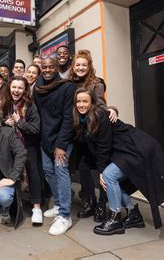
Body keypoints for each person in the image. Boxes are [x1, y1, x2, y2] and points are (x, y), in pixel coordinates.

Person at [72, 88, 164, 235]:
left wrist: (101, 171)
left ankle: (115, 219)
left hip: (135, 147)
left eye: (85, 101)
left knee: (109, 176)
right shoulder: (81, 118)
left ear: (93, 103)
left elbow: (104, 145)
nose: (81, 104)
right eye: (78, 101)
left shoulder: (100, 115)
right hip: (123, 151)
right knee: (112, 179)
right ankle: (133, 214)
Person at [68, 49, 118, 222]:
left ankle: (102, 205)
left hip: (95, 134)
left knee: (102, 169)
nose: (80, 68)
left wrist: (112, 109)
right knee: (82, 169)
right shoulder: (69, 83)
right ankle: (90, 201)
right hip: (79, 136)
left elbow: (101, 105)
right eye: (77, 65)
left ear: (89, 67)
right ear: (73, 67)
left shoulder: (96, 83)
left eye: (84, 65)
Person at [33, 57, 75, 236]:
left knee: (61, 170)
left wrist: (61, 145)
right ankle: (58, 205)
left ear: (57, 67)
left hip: (62, 140)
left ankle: (65, 216)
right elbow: (39, 114)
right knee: (48, 171)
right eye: (44, 67)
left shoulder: (67, 86)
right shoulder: (37, 87)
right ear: (40, 68)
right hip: (45, 139)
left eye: (51, 67)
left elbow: (68, 118)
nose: (48, 70)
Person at [2, 77, 43, 224]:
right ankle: (14, 207)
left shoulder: (30, 106)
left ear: (25, 90)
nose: (16, 90)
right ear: (9, 88)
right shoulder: (5, 104)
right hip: (11, 147)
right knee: (13, 174)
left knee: (33, 174)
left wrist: (19, 122)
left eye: (20, 88)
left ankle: (36, 207)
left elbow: (35, 129)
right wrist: (4, 123)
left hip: (28, 145)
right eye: (14, 87)